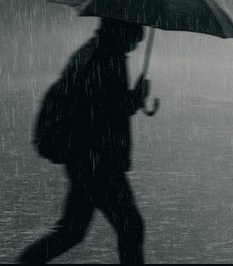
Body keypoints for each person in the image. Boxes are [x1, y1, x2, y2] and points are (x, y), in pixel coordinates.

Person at [18, 18, 150, 264]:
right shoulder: (105, 58)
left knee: (72, 231)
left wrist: (132, 99)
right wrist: (134, 100)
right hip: (98, 160)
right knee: (131, 228)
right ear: (122, 29)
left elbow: (98, 106)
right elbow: (97, 113)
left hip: (84, 157)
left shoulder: (97, 51)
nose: (139, 40)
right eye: (135, 33)